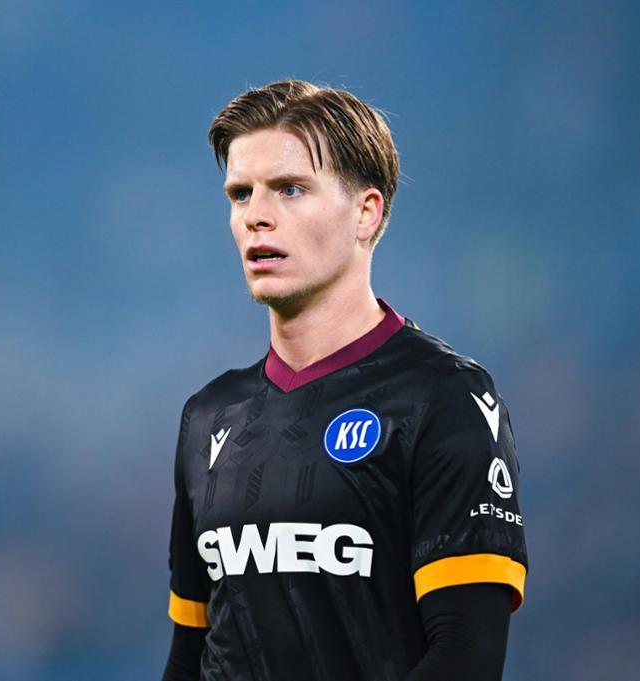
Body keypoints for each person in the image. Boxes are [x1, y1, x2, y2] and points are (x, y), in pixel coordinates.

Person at [162, 80, 528, 681]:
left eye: (290, 189)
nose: (256, 215)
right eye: (240, 194)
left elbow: (467, 654)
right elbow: (190, 654)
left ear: (367, 212)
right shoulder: (208, 417)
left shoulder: (444, 398)